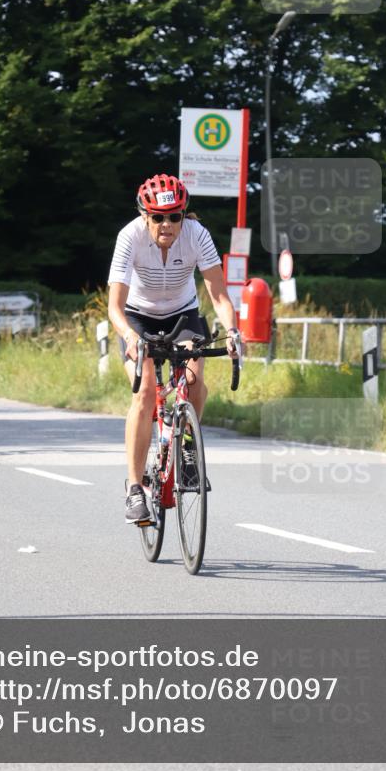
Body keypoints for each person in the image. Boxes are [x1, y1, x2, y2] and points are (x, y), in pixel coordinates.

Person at [108, 173, 241, 524]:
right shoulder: (129, 237)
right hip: (137, 317)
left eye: (174, 217)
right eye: (157, 217)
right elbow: (114, 307)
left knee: (195, 381)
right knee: (146, 390)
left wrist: (232, 331)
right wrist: (131, 337)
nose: (166, 225)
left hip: (183, 315)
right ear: (144, 216)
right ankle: (135, 489)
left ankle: (186, 451)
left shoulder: (198, 235)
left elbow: (219, 295)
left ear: (184, 215)